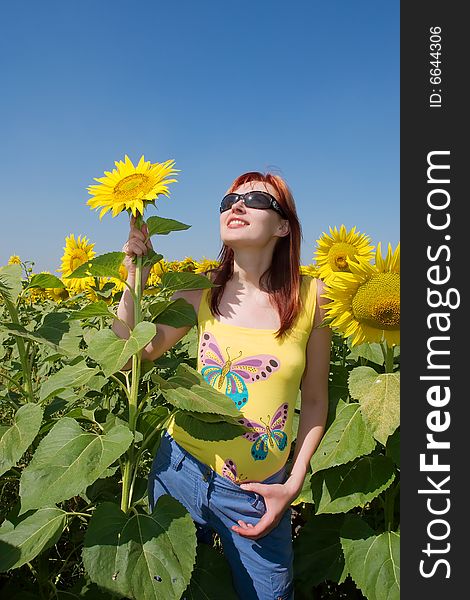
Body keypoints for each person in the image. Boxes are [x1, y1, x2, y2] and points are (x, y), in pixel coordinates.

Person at [113, 171, 331, 600]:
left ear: (284, 225)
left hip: (256, 490)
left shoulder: (313, 297)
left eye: (254, 199)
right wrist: (131, 276)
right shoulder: (201, 291)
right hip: (180, 469)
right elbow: (138, 349)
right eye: (229, 199)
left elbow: (317, 399)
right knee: (172, 589)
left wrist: (292, 482)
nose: (236, 204)